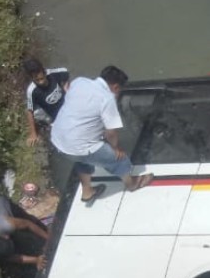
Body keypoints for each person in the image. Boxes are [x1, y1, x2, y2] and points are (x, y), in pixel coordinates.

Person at [49, 65, 153, 205]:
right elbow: (111, 132)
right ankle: (132, 184)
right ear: (116, 87)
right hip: (78, 146)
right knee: (120, 159)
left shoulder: (80, 82)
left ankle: (87, 192)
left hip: (57, 140)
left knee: (82, 159)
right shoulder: (107, 99)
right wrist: (116, 148)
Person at [0, 193, 50, 272]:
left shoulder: (5, 224)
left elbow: (28, 224)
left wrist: (48, 238)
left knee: (27, 218)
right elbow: (10, 257)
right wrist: (36, 260)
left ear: (6, 236)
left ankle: (46, 231)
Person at [22, 58, 69, 146]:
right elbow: (29, 111)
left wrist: (66, 88)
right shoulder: (32, 91)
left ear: (44, 72)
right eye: (37, 80)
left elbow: (65, 72)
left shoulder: (53, 74)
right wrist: (33, 133)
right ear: (31, 78)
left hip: (67, 107)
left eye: (41, 78)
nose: (41, 82)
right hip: (55, 117)